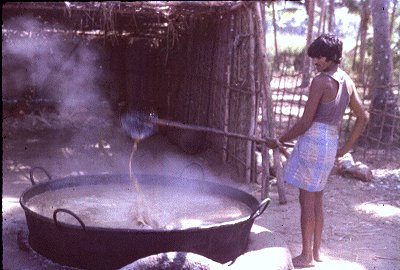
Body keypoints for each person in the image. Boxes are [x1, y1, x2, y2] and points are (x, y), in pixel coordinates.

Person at [273, 33, 369, 268]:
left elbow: (305, 122)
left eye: (320, 57)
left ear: (332, 56)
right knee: (317, 200)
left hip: (313, 142)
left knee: (307, 201)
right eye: (314, 57)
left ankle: (306, 257)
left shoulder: (321, 82)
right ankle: (316, 253)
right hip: (330, 141)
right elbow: (363, 117)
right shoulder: (346, 80)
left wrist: (279, 139)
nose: (316, 61)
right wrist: (344, 148)